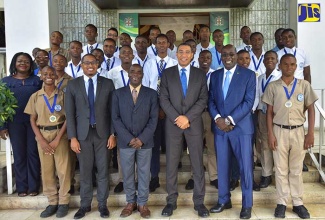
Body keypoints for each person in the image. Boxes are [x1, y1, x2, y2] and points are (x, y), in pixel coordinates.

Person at [262, 54, 317, 219]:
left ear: (296, 66)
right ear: (280, 65)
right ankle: (281, 203)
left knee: (296, 170)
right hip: (279, 131)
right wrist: (270, 134)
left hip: (299, 131)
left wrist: (311, 133)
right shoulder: (273, 86)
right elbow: (269, 113)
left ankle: (298, 203)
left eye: (292, 64)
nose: (289, 67)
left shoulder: (304, 85)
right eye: (285, 64)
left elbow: (311, 109)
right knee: (280, 169)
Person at [160, 43, 209, 217]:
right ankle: (171, 201)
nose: (183, 55)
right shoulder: (167, 74)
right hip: (173, 125)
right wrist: (177, 118)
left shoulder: (200, 74)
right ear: (177, 54)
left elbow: (203, 99)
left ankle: (199, 202)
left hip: (193, 124)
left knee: (197, 163)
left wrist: (187, 117)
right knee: (172, 164)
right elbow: (163, 99)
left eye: (187, 52)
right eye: (180, 52)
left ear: (192, 55)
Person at [65, 54, 116, 219]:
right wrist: (72, 137)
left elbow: (113, 112)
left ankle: (102, 205)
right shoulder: (73, 85)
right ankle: (85, 205)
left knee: (103, 171)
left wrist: (112, 134)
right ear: (81, 65)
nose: (90, 66)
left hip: (103, 134)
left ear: (97, 64)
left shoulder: (107, 84)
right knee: (85, 172)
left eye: (93, 63)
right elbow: (70, 114)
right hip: (82, 136)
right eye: (86, 63)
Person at [209, 44, 256, 219]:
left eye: (231, 54)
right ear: (220, 56)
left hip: (241, 129)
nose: (228, 57)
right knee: (222, 166)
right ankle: (223, 200)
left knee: (245, 167)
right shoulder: (215, 75)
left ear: (236, 55)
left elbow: (248, 102)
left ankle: (247, 205)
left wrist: (229, 120)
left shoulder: (248, 75)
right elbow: (211, 101)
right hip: (220, 130)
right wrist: (218, 119)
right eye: (224, 54)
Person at [112, 64, 158, 218]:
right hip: (126, 142)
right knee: (128, 173)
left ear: (143, 74)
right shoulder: (118, 94)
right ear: (128, 74)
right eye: (132, 72)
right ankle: (130, 202)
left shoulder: (151, 94)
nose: (135, 74)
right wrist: (129, 138)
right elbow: (115, 119)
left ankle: (142, 203)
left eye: (139, 72)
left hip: (145, 142)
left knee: (144, 173)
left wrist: (142, 139)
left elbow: (153, 119)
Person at [24, 66, 71, 218]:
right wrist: (41, 139)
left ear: (56, 76)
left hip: (60, 135)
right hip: (43, 135)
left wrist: (58, 139)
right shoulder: (36, 96)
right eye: (45, 74)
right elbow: (32, 119)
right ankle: (52, 202)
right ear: (41, 76)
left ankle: (64, 202)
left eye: (52, 74)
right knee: (47, 170)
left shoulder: (63, 95)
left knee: (63, 170)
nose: (49, 76)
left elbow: (69, 118)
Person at [0, 52, 42, 197]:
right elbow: (1, 105)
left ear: (31, 64)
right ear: (14, 63)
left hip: (34, 123)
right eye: (20, 61)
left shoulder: (37, 81)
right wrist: (2, 126)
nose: (23, 63)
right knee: (19, 155)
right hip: (14, 123)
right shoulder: (5, 82)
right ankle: (22, 186)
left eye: (26, 61)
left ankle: (33, 186)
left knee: (33, 153)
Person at [143, 34, 178, 193]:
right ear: (155, 45)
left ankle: (172, 177)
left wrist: (166, 108)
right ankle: (154, 176)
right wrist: (155, 109)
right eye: (159, 43)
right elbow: (146, 88)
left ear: (169, 44)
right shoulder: (149, 64)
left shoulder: (175, 63)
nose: (162, 45)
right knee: (154, 145)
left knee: (171, 145)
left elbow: (176, 89)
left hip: (171, 111)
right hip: (153, 112)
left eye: (164, 42)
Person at [277, 28, 311, 172]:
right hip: (283, 91)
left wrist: (307, 91)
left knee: (298, 123)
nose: (288, 39)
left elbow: (307, 74)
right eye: (284, 37)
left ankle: (299, 160)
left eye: (290, 36)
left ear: (295, 37)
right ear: (281, 40)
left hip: (299, 92)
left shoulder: (303, 53)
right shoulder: (278, 55)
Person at [184, 50, 218, 190]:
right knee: (194, 147)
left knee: (211, 147)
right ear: (197, 59)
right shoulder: (193, 74)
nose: (205, 59)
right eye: (202, 57)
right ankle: (194, 176)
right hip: (195, 115)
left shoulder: (216, 74)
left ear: (211, 60)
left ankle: (214, 176)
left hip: (211, 115)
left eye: (208, 57)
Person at [107, 45, 135, 193]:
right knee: (122, 151)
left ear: (133, 55)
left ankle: (137, 179)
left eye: (129, 53)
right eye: (123, 52)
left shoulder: (138, 71)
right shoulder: (112, 73)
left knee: (139, 148)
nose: (126, 55)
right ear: (119, 55)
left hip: (138, 113)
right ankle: (123, 180)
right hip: (120, 114)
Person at [256, 50, 281, 188]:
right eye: (267, 58)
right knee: (265, 144)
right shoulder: (260, 78)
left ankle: (279, 174)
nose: (270, 60)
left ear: (277, 60)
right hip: (263, 114)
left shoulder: (280, 77)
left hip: (278, 114)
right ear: (264, 61)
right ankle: (266, 174)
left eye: (273, 58)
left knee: (278, 144)